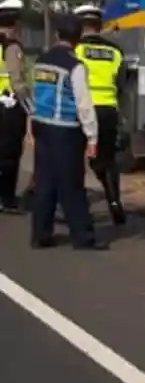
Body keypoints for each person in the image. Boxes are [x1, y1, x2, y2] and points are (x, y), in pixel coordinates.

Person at [29, 14, 105, 250]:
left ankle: (40, 234)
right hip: (66, 130)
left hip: (41, 124)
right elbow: (84, 104)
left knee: (45, 181)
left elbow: (35, 94)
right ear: (78, 39)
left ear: (57, 35)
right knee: (71, 184)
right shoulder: (75, 66)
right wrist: (92, 136)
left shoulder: (41, 61)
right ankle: (83, 236)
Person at [73, 4, 126, 224]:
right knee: (107, 160)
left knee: (74, 158)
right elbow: (122, 85)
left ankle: (76, 206)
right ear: (100, 25)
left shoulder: (74, 49)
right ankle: (114, 202)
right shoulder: (116, 51)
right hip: (107, 110)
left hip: (80, 110)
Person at [0, 0, 31, 213]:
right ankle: (7, 198)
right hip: (9, 107)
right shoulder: (11, 47)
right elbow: (17, 81)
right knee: (9, 155)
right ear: (16, 23)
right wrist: (31, 107)